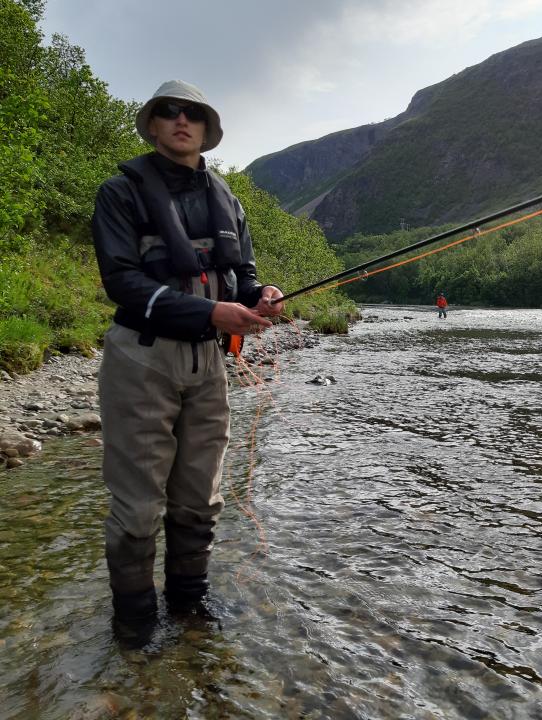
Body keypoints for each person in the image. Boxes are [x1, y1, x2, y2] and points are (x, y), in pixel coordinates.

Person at [91, 80, 284, 642]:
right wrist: (209, 314)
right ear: (152, 125)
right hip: (142, 360)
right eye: (169, 112)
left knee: (201, 499)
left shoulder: (228, 198)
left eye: (193, 113)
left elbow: (243, 279)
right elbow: (122, 283)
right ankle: (134, 625)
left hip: (209, 363)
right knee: (137, 509)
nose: (182, 119)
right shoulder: (119, 192)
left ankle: (189, 611)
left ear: (206, 128)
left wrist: (263, 294)